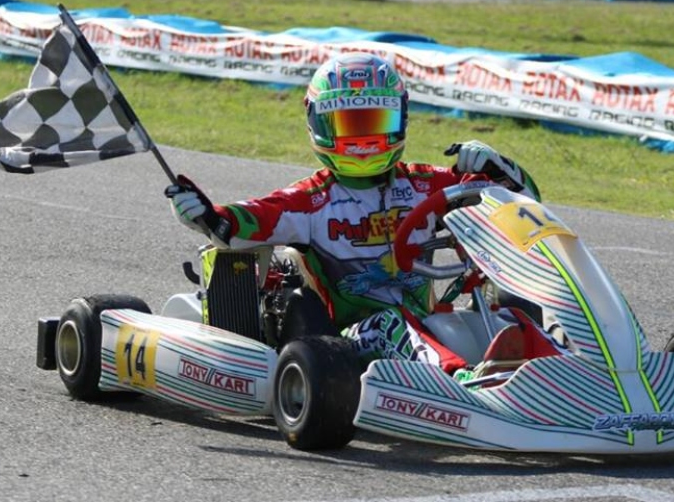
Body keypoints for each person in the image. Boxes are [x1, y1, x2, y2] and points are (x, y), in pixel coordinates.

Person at [166, 52, 545, 375]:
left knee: (513, 299)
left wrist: (498, 168)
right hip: (344, 341)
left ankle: (551, 367)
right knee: (390, 324)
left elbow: (523, 207)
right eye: (349, 125)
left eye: (375, 123)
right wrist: (205, 214)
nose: (363, 141)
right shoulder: (311, 200)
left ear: (400, 118)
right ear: (320, 125)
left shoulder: (428, 184)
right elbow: (246, 221)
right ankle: (459, 381)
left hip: (426, 321)